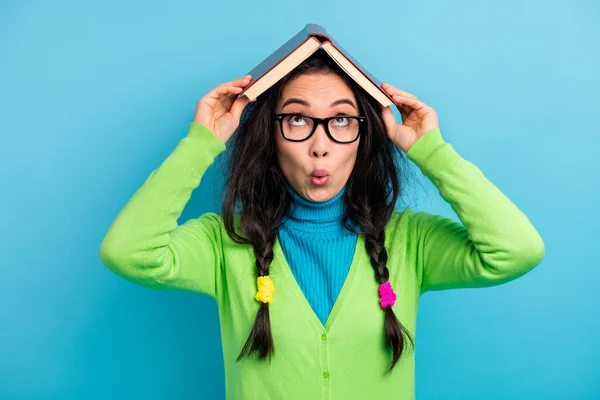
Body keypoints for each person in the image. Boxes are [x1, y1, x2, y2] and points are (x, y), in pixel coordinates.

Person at [99, 49, 545, 399]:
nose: (320, 146)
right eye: (297, 119)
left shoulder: (411, 241)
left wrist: (431, 150)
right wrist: (202, 143)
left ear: (364, 135)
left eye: (340, 120)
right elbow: (128, 252)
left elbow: (516, 250)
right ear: (269, 135)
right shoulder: (225, 242)